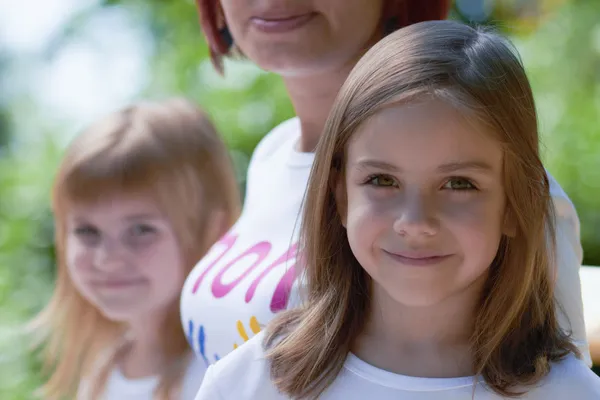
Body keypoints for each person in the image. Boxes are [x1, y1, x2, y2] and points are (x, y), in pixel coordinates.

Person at [194, 21, 600, 399]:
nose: (415, 222)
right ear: (339, 196)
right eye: (382, 181)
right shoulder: (246, 384)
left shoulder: (572, 393)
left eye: (459, 184)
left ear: (514, 204)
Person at [31, 98, 240, 399]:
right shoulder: (102, 370)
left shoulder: (225, 367)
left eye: (141, 230)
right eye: (87, 231)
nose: (107, 260)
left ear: (213, 232)